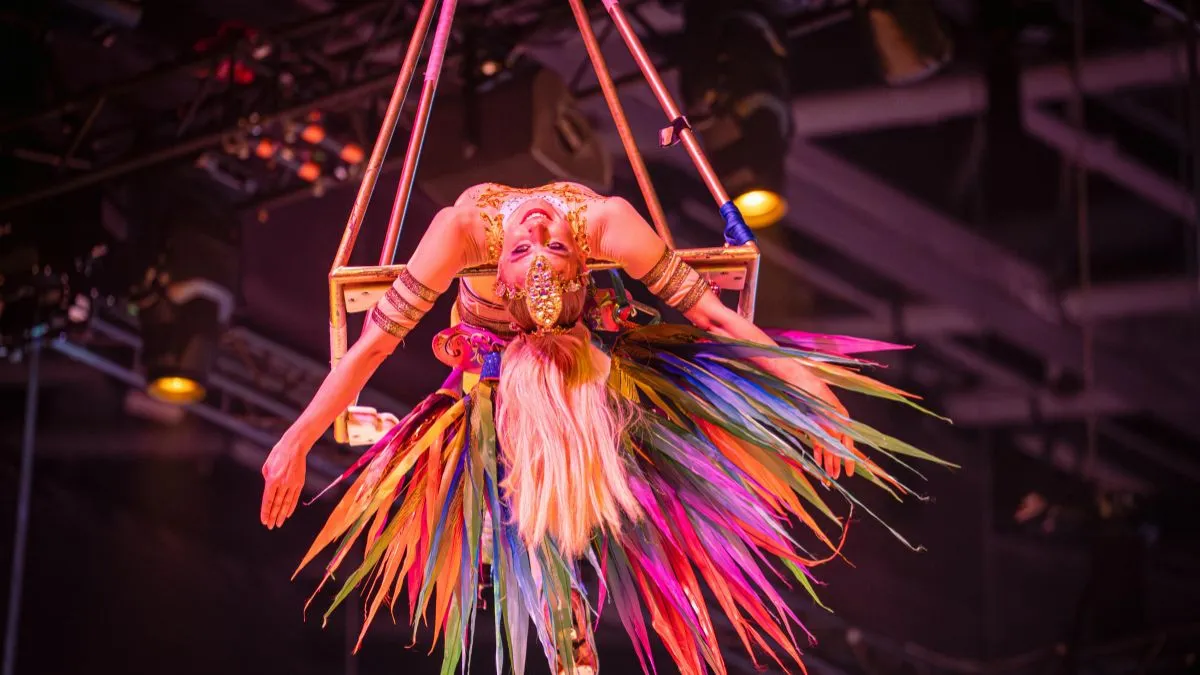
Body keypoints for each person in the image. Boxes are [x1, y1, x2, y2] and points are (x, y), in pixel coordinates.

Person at [260, 181, 947, 675]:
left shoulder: (499, 225)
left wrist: (815, 394)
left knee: (537, 457)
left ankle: (565, 618)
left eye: (545, 245)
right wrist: (294, 440)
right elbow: (371, 347)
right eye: (534, 243)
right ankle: (571, 618)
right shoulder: (541, 224)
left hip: (548, 355)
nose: (539, 223)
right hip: (529, 356)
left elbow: (716, 317)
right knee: (562, 448)